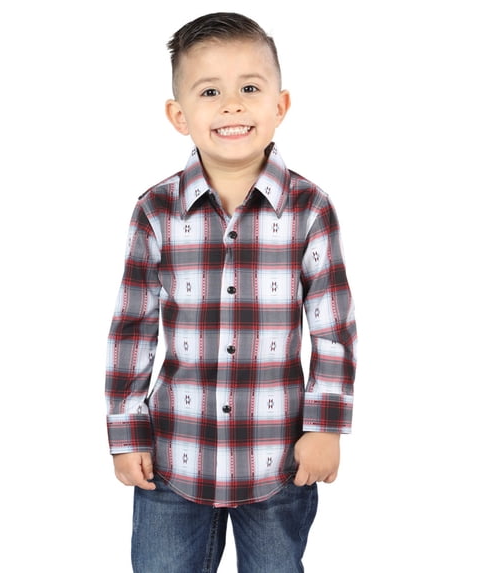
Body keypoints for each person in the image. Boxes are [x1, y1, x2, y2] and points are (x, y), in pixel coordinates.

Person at [105, 12, 357, 573]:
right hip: (173, 456)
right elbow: (132, 328)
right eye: (209, 92)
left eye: (249, 88)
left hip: (278, 458)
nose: (232, 106)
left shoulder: (310, 209)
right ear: (179, 115)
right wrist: (126, 432)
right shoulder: (156, 210)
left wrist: (325, 426)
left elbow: (334, 329)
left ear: (280, 105)